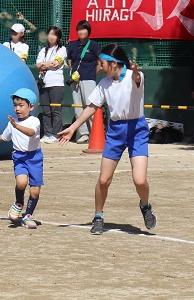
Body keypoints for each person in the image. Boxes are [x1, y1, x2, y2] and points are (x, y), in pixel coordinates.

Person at [58, 44, 157, 235]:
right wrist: (72, 128)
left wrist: (136, 73)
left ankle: (145, 206)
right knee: (103, 180)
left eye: (101, 63)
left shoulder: (134, 76)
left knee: (139, 180)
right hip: (116, 131)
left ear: (113, 63)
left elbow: (137, 79)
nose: (100, 67)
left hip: (137, 129)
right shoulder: (104, 83)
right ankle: (98, 217)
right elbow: (91, 107)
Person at [0, 88, 43, 229]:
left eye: (21, 105)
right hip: (19, 157)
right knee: (21, 183)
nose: (17, 108)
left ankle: (28, 216)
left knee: (35, 191)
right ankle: (18, 203)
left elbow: (31, 133)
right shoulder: (12, 123)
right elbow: (5, 136)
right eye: (15, 105)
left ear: (31, 107)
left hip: (35, 158)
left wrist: (16, 125)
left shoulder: (34, 121)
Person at [67, 20, 101, 144]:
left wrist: (93, 74)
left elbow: (100, 63)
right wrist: (73, 73)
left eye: (84, 29)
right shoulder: (73, 45)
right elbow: (70, 61)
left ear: (88, 31)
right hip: (75, 81)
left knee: (90, 105)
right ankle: (83, 133)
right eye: (79, 29)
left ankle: (95, 133)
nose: (81, 32)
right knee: (78, 106)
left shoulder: (94, 45)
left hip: (89, 79)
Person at [36, 26, 67, 144]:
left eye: (54, 34)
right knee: (46, 111)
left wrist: (45, 65)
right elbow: (38, 65)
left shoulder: (62, 49)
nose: (51, 36)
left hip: (56, 84)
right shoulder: (43, 50)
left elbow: (55, 64)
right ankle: (47, 134)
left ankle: (56, 134)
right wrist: (45, 65)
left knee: (55, 110)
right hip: (44, 84)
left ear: (58, 37)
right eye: (50, 34)